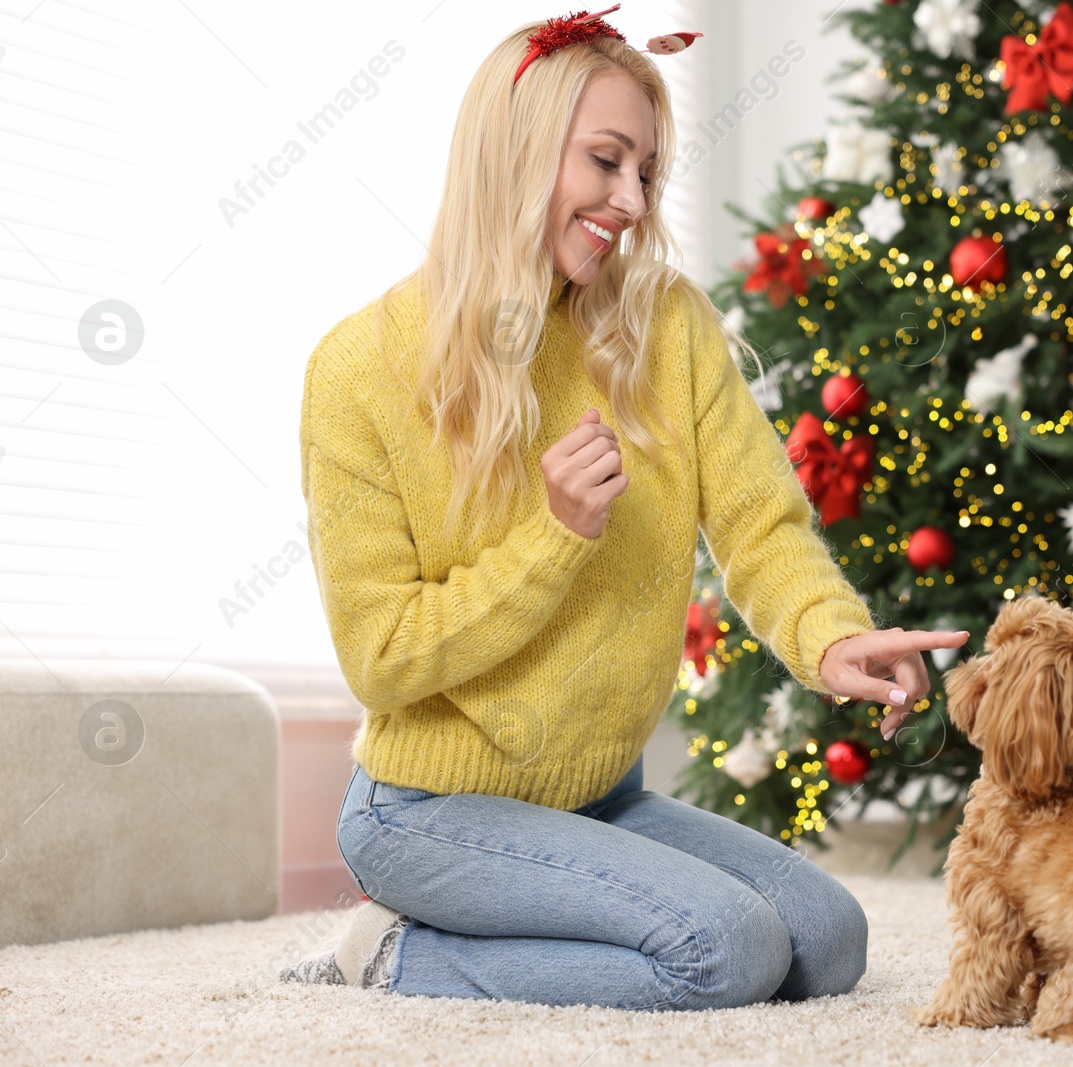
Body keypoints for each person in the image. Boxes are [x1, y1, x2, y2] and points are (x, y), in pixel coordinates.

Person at [280, 8, 968, 1010]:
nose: (631, 200)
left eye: (646, 172)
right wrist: (552, 538)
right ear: (513, 153)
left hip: (597, 794)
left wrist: (829, 640)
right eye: (606, 162)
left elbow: (758, 523)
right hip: (425, 809)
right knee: (724, 951)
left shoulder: (665, 323)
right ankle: (391, 954)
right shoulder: (358, 369)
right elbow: (380, 653)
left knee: (826, 938)